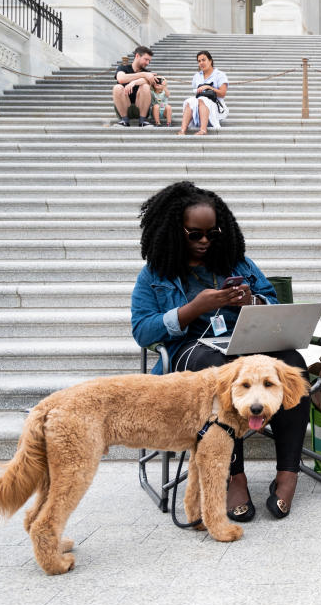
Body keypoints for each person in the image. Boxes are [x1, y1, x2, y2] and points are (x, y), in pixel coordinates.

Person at [130, 181, 310, 522]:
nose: (204, 242)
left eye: (213, 234)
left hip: (245, 347)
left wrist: (252, 301)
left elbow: (273, 302)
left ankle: (288, 473)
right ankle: (233, 476)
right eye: (194, 234)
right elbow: (142, 330)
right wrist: (192, 309)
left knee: (291, 366)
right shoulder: (155, 274)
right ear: (173, 231)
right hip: (189, 353)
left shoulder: (238, 263)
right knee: (220, 371)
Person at [179, 50, 230, 135]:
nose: (201, 63)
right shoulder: (197, 76)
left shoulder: (220, 75)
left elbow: (223, 93)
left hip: (215, 104)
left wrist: (209, 87)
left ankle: (203, 130)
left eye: (203, 60)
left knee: (202, 100)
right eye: (199, 61)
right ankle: (183, 130)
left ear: (210, 61)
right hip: (200, 105)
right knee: (189, 101)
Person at [113, 45, 157, 127]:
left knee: (145, 86)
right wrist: (143, 74)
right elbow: (121, 79)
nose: (147, 63)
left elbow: (147, 80)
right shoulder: (123, 68)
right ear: (137, 56)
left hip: (141, 108)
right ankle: (124, 121)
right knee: (117, 87)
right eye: (146, 59)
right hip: (124, 107)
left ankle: (142, 121)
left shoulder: (148, 72)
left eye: (149, 61)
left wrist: (133, 82)